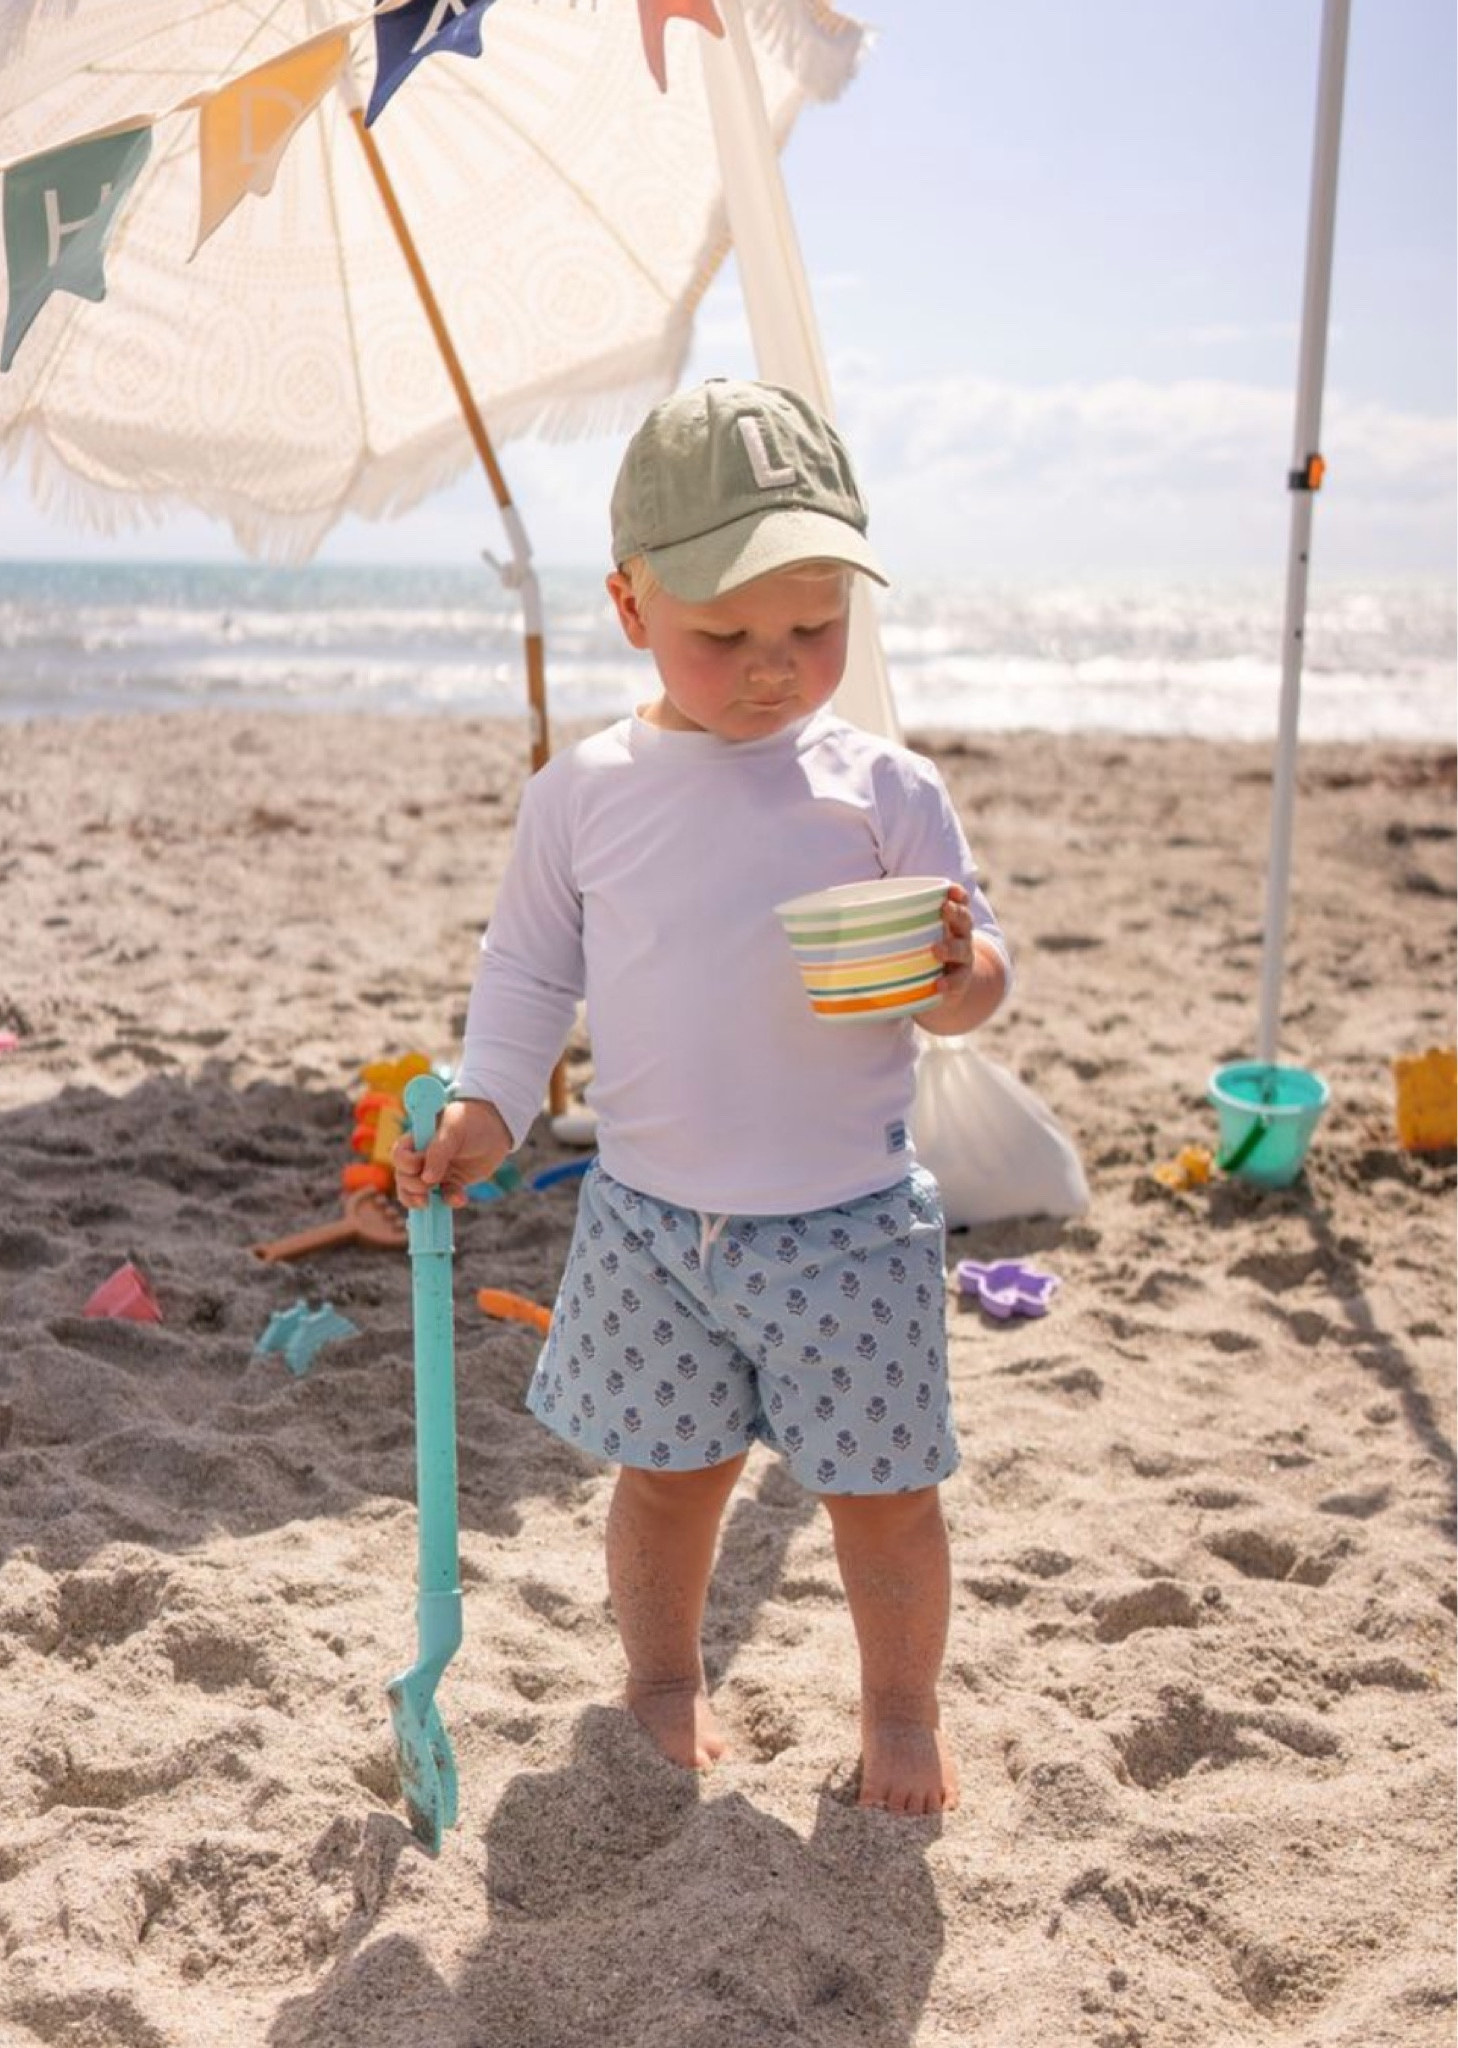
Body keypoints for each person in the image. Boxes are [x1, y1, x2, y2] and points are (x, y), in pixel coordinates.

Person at [394, 379, 1010, 1816]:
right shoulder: (585, 794)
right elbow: (531, 971)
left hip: (848, 1222)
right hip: (650, 1224)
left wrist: (953, 974)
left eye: (814, 630)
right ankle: (664, 1680)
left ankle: (902, 1718)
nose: (775, 668)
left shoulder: (885, 790)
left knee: (884, 1497)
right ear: (628, 604)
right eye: (724, 635)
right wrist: (488, 1106)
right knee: (669, 1478)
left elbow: (977, 981)